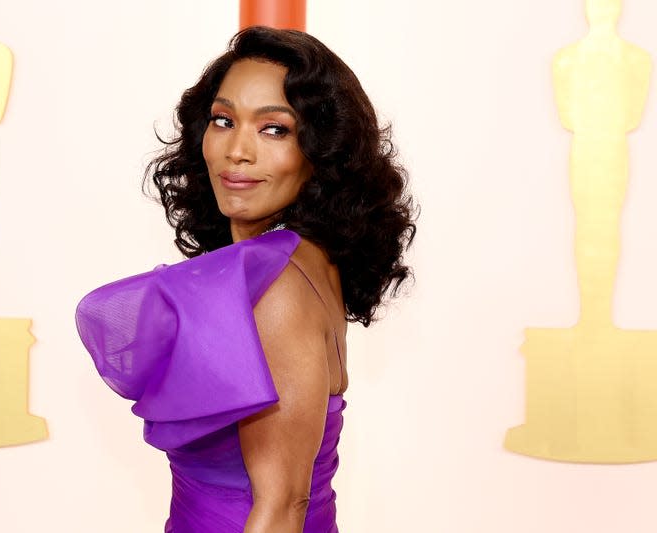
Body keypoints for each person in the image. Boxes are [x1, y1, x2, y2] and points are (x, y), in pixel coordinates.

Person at [76, 26, 416, 533]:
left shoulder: (275, 285)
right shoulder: (297, 260)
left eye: (274, 129)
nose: (238, 150)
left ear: (320, 151)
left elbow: (282, 506)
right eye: (223, 120)